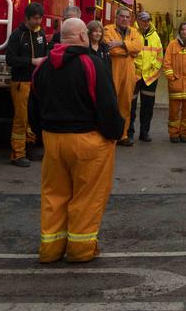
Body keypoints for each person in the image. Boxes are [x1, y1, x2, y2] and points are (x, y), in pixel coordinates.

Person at [28, 18, 125, 263]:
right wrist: (114, 134)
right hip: (88, 141)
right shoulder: (91, 64)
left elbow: (33, 106)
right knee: (87, 197)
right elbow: (107, 105)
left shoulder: (44, 67)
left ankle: (50, 249)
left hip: (53, 140)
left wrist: (42, 137)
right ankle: (81, 250)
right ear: (83, 36)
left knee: (54, 195)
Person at [4, 3, 48, 166]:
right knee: (21, 119)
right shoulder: (17, 36)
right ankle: (17, 154)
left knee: (33, 118)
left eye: (40, 18)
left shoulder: (41, 34)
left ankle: (29, 147)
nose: (38, 22)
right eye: (35, 18)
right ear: (27, 18)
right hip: (21, 83)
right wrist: (31, 61)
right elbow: (10, 59)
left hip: (36, 83)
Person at [103, 6, 142, 146]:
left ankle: (122, 135)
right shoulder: (107, 29)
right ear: (116, 17)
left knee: (126, 104)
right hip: (113, 70)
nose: (125, 19)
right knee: (111, 103)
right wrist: (129, 51)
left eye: (127, 17)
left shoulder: (134, 31)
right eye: (122, 16)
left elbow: (138, 46)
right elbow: (108, 47)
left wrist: (120, 43)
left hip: (129, 72)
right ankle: (110, 134)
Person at [162, 21, 186, 143]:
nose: (185, 32)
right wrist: (172, 77)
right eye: (183, 29)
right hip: (176, 85)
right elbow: (166, 62)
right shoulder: (172, 45)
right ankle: (173, 134)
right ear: (179, 31)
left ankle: (185, 134)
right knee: (173, 113)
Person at [129, 11, 163, 143]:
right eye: (143, 20)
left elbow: (160, 55)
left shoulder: (155, 36)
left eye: (148, 20)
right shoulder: (132, 32)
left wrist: (154, 68)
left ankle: (144, 132)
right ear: (138, 20)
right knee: (130, 106)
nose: (146, 22)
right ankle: (129, 133)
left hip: (150, 77)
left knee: (148, 107)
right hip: (134, 75)